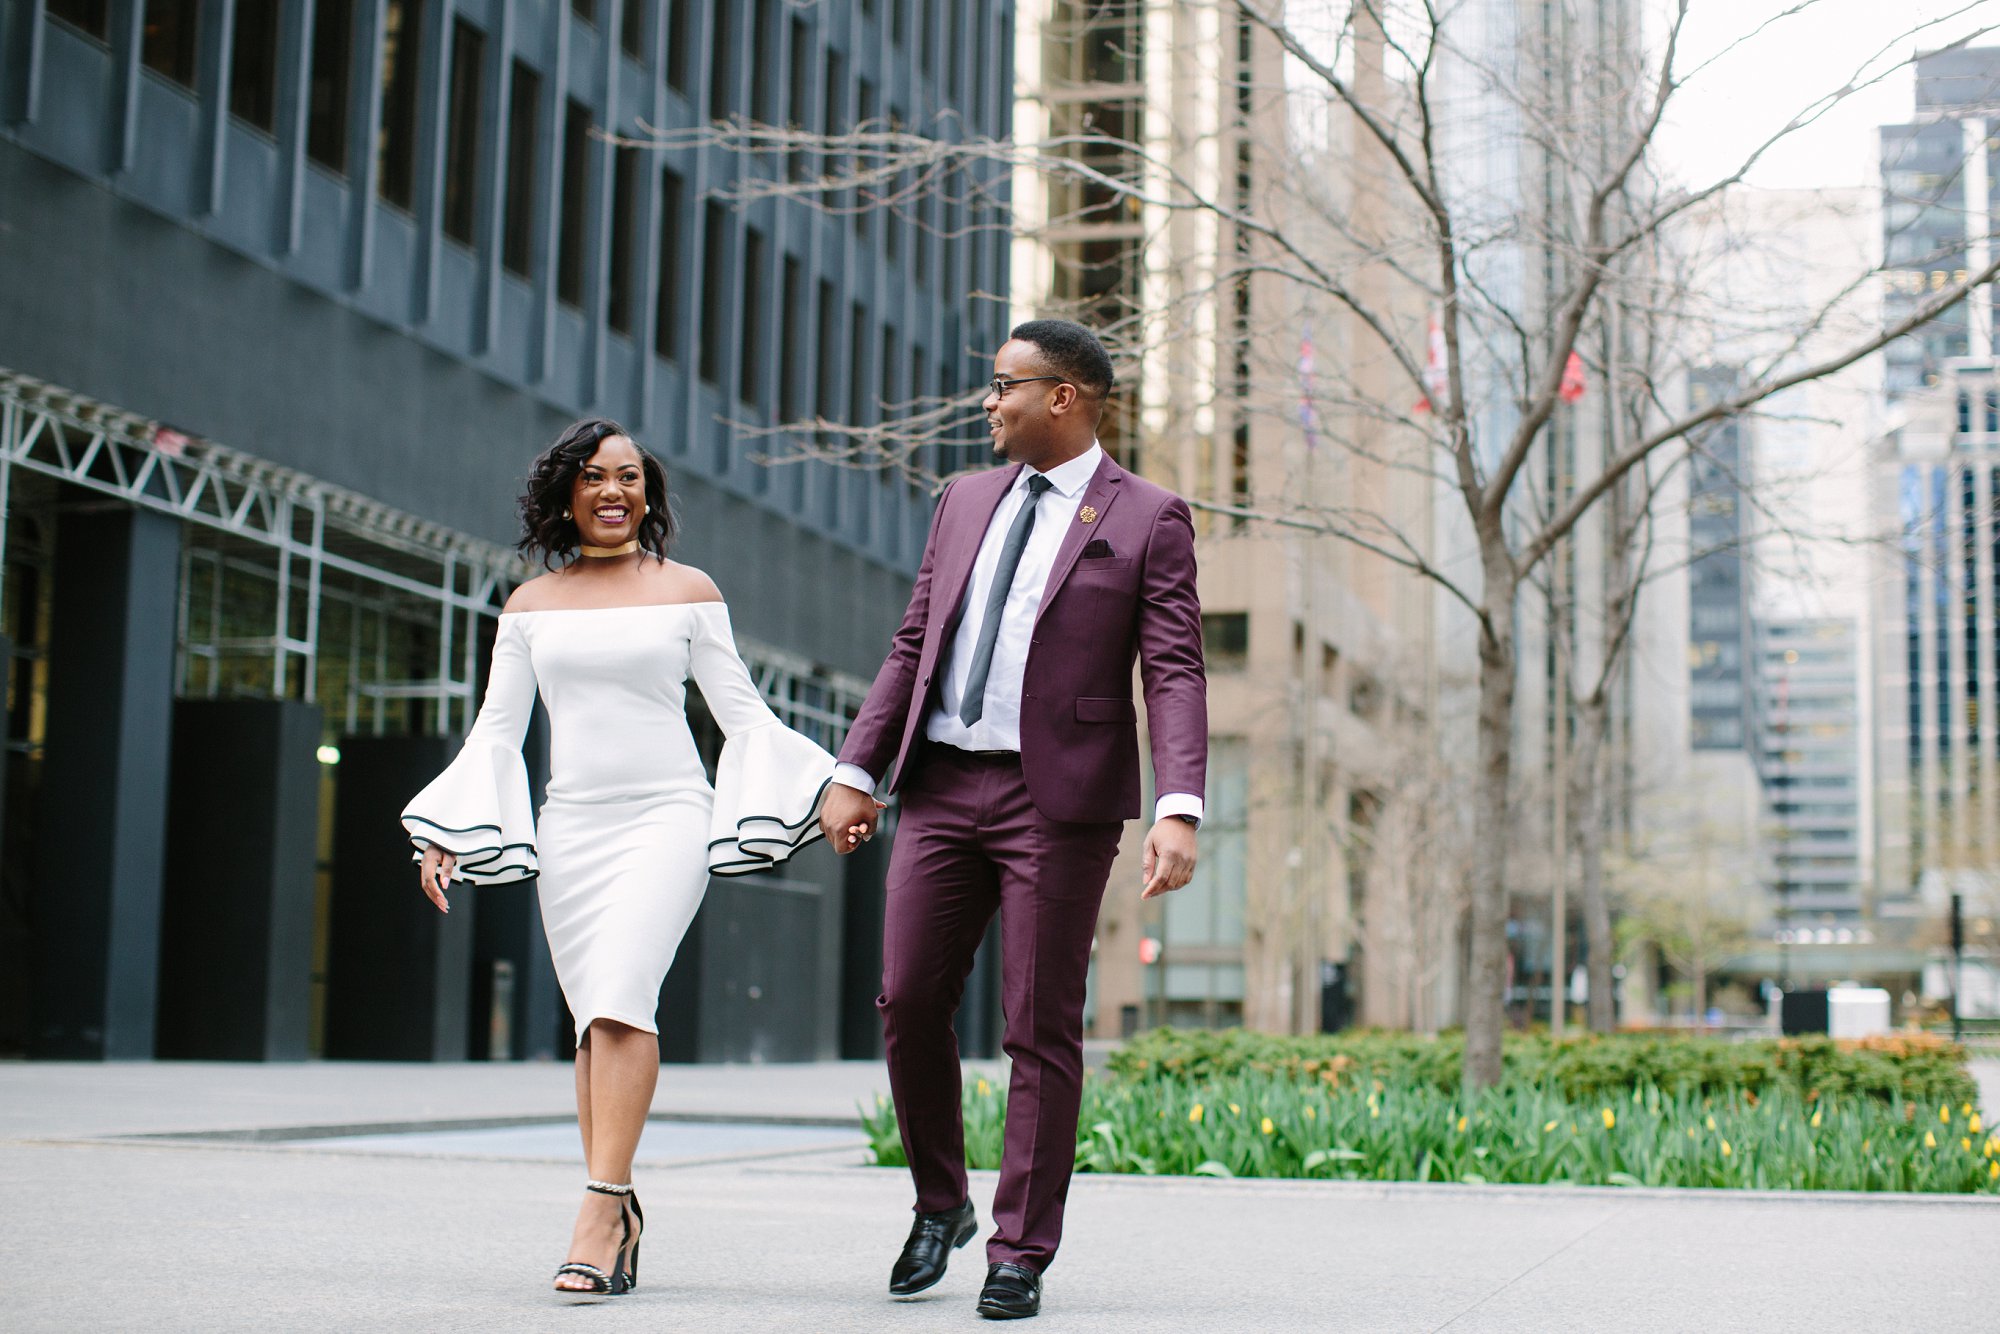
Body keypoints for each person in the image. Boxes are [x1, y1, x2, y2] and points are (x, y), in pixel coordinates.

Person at [400, 419, 847, 1298]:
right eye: (595, 477)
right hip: (572, 825)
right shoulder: (529, 606)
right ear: (566, 494)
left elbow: (743, 715)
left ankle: (598, 1213)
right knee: (592, 1023)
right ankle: (619, 1206)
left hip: (667, 818)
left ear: (650, 494)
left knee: (621, 1003)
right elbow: (498, 731)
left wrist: (832, 788)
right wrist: (447, 826)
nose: (614, 492)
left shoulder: (688, 590)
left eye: (630, 477)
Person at [819, 319, 1208, 1320]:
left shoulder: (1150, 515)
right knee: (907, 998)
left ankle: (1019, 1248)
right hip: (944, 785)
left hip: (1060, 802)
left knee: (1037, 1023)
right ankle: (938, 1200)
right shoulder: (962, 500)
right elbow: (915, 638)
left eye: (1004, 386)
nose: (988, 402)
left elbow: (1171, 666)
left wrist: (1178, 804)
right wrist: (856, 765)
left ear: (1064, 396)